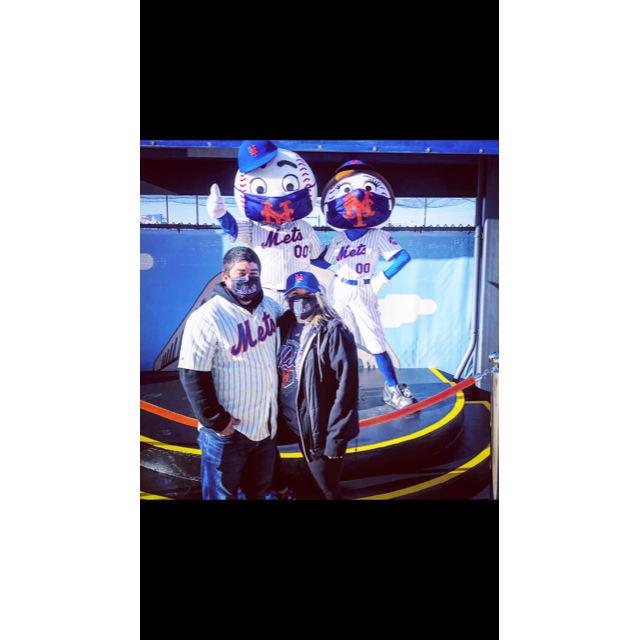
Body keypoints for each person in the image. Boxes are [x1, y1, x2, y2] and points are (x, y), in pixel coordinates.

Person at [177, 247, 282, 500]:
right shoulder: (207, 316)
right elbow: (192, 373)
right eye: (240, 272)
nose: (248, 278)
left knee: (257, 493)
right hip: (228, 433)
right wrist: (216, 421)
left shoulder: (271, 307)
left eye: (254, 272)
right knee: (220, 496)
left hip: (265, 427)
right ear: (226, 277)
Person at [316, 159, 418, 409]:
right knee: (340, 342)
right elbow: (323, 262)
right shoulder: (339, 238)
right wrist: (303, 253)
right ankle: (340, 389)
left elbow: (403, 257)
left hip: (363, 289)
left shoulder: (378, 235)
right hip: (340, 290)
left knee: (375, 343)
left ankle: (392, 388)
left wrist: (381, 279)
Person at [206, 140, 327, 309]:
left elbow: (318, 256)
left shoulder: (304, 227)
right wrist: (221, 214)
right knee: (268, 326)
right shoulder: (254, 227)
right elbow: (233, 228)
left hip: (298, 293)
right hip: (268, 292)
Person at [273, 271, 360, 500]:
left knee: (327, 490)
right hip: (292, 422)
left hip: (319, 430)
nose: (300, 300)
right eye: (294, 295)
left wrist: (335, 439)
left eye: (307, 294)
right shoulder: (283, 324)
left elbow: (347, 390)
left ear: (318, 296)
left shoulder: (333, 330)